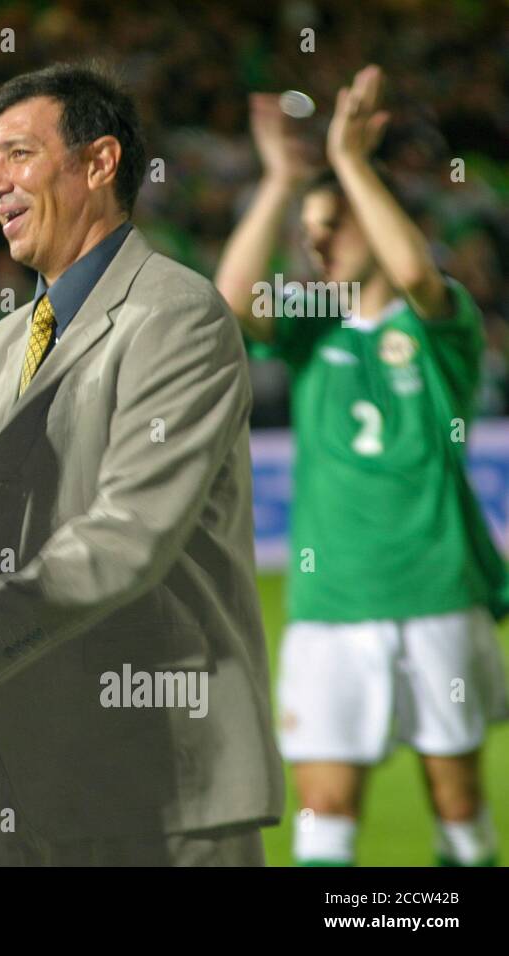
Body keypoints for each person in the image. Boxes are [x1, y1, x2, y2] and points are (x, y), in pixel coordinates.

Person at [0, 61, 283, 865]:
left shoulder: (179, 318)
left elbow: (131, 533)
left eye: (16, 153)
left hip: (158, 787)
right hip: (12, 793)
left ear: (100, 162)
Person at [214, 64, 507, 867]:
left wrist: (350, 163)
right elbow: (231, 296)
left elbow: (412, 273)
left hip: (436, 591)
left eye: (331, 225)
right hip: (331, 601)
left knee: (458, 802)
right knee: (325, 809)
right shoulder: (314, 332)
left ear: (375, 226)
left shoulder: (441, 323)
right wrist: (283, 180)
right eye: (309, 230)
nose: (315, 242)